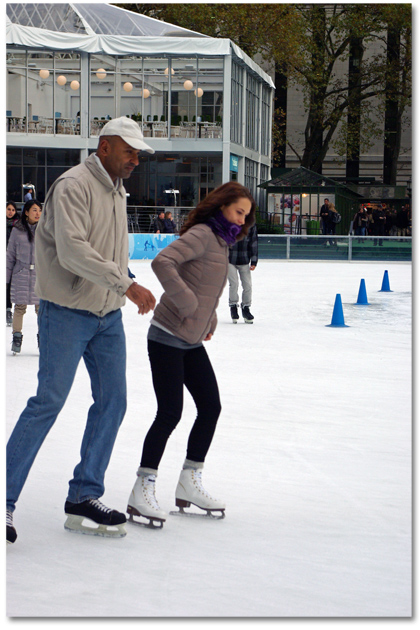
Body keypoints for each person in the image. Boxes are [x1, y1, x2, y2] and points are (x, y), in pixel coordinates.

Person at [6, 116, 156, 544]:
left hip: (107, 316)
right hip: (67, 311)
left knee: (113, 402)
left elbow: (109, 250)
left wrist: (123, 280)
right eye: (128, 151)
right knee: (47, 402)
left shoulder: (117, 190)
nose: (135, 160)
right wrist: (127, 284)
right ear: (105, 147)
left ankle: (84, 497)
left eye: (138, 153)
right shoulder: (73, 186)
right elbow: (74, 252)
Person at [126, 182, 256, 528]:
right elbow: (163, 261)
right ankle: (143, 488)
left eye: (246, 216)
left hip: (191, 339)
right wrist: (187, 304)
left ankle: (189, 482)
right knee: (170, 413)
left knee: (210, 407)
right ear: (222, 206)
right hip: (167, 336)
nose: (242, 220)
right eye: (238, 212)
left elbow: (206, 288)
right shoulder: (202, 233)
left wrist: (208, 316)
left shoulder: (221, 241)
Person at [6, 199, 42, 353]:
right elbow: (10, 256)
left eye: (40, 210)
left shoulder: (45, 231)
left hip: (39, 275)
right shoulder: (17, 230)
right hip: (21, 273)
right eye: (34, 210)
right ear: (26, 212)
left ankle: (44, 339)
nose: (38, 213)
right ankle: (17, 338)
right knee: (19, 307)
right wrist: (6, 279)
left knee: (41, 309)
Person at [228, 223, 258, 323]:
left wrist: (254, 261)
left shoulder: (251, 224)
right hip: (229, 259)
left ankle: (246, 308)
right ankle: (233, 306)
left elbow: (253, 243)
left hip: (244, 260)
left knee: (247, 285)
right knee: (234, 284)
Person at [6, 201, 19, 326]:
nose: (10, 212)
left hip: (11, 258)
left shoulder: (18, 226)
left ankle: (8, 309)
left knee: (8, 284)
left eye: (13, 210)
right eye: (8, 209)